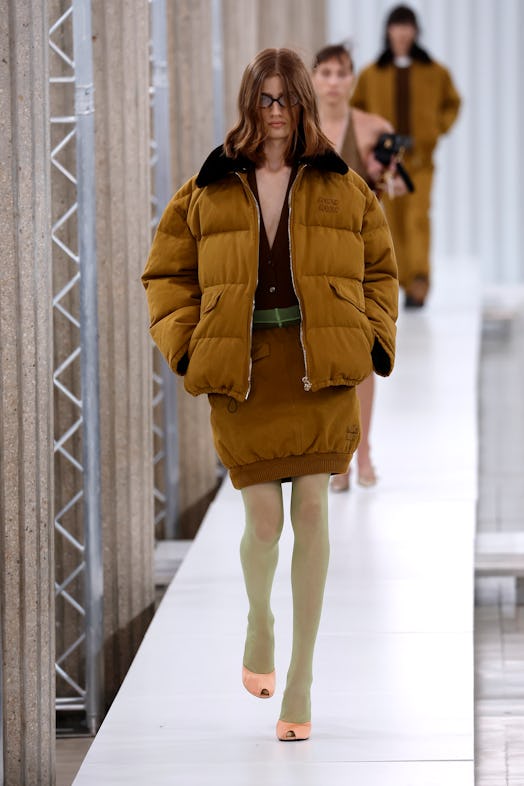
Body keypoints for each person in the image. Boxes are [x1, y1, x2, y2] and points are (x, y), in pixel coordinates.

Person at [142, 48, 398, 742]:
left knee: (312, 512)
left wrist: (371, 337)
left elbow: (381, 268)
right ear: (250, 103)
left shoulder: (342, 186)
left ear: (305, 106)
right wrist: (190, 346)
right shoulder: (212, 185)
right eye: (267, 99)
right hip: (246, 370)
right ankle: (260, 620)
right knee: (262, 523)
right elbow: (166, 273)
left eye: (288, 100)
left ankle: (303, 677)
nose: (278, 112)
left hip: (320, 371)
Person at [312, 43, 406, 492]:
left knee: (364, 352)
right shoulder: (298, 129)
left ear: (352, 78)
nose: (333, 81)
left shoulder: (373, 128)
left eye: (340, 72)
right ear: (313, 78)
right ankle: (339, 456)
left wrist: (384, 172)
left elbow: (399, 185)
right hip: (315, 253)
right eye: (325, 72)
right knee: (325, 354)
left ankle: (362, 452)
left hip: (363, 251)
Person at [351, 4, 461, 307]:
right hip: (386, 161)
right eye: (397, 27)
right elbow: (355, 108)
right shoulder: (372, 73)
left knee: (417, 217)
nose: (401, 33)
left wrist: (435, 130)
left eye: (407, 27)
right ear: (388, 31)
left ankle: (419, 281)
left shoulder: (435, 72)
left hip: (419, 160)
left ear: (415, 31)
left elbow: (453, 102)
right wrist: (369, 142)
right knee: (391, 220)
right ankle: (398, 280)